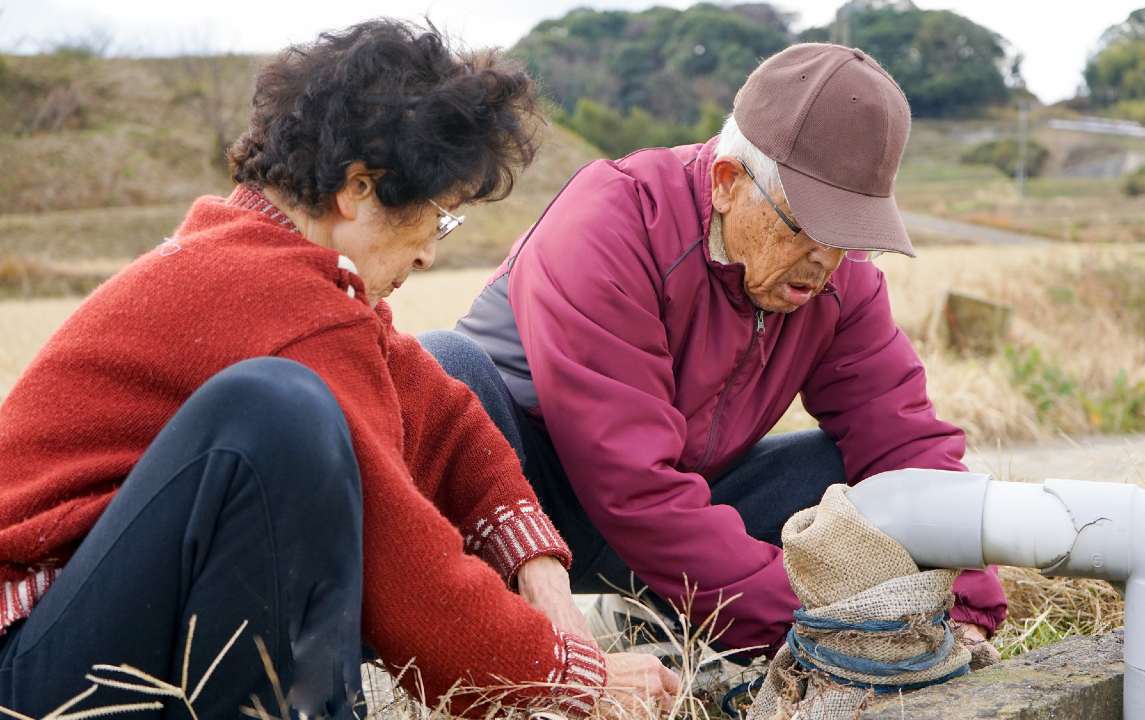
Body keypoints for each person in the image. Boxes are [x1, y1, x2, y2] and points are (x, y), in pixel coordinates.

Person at [0, 19, 676, 719]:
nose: (427, 257)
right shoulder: (277, 303)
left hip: (83, 634)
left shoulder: (272, 268)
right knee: (280, 409)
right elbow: (410, 581)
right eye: (437, 217)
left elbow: (446, 423)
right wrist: (575, 676)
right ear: (359, 187)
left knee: (450, 362)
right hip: (29, 668)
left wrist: (540, 573)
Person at [432, 43, 1008, 661]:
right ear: (728, 183)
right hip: (528, 499)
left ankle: (663, 623)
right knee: (447, 371)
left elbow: (905, 444)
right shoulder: (609, 225)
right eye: (806, 227)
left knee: (850, 481)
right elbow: (633, 486)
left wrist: (968, 603)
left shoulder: (844, 279)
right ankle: (491, 644)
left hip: (674, 506)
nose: (825, 260)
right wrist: (820, 628)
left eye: (848, 236)